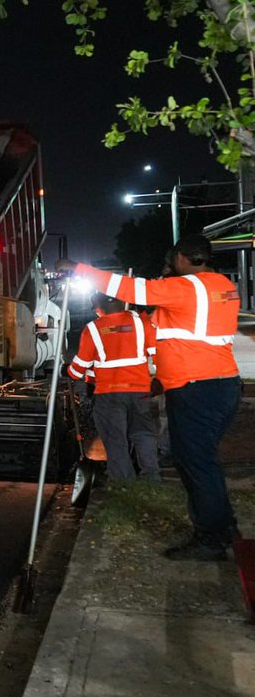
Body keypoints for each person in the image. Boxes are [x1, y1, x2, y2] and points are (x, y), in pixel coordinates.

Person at [58, 234, 241, 561]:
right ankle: (224, 526)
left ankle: (212, 538)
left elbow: (131, 289)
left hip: (196, 387)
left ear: (183, 259)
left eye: (171, 263)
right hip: (221, 384)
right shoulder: (222, 285)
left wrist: (78, 268)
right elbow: (174, 328)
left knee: (196, 465)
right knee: (204, 462)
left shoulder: (185, 288)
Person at [66, 293, 159, 482]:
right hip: (139, 390)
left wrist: (68, 371)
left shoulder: (93, 329)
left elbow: (79, 368)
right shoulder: (142, 322)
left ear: (98, 309)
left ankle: (124, 482)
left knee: (115, 438)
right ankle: (151, 478)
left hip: (109, 394)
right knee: (143, 434)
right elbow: (158, 354)